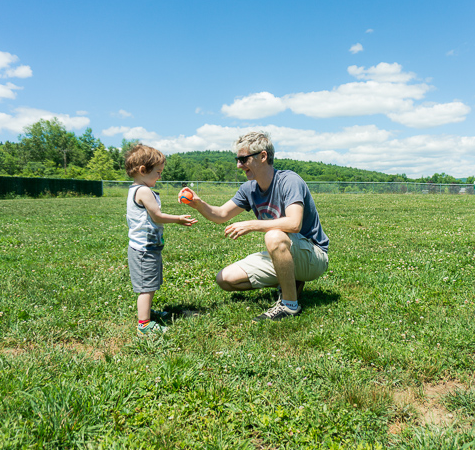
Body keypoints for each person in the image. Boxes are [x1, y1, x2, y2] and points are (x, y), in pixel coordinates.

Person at [178, 131, 329, 321]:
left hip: (314, 256)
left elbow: (294, 223)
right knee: (224, 279)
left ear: (263, 156)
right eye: (237, 159)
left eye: (243, 159)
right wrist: (198, 204)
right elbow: (221, 215)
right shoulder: (249, 189)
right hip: (286, 251)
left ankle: (290, 305)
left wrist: (251, 224)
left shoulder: (289, 181)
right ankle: (290, 281)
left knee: (273, 235)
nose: (238, 165)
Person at [125, 144, 197, 336]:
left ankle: (147, 312)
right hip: (143, 249)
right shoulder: (143, 191)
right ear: (143, 170)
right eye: (158, 172)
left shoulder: (137, 189)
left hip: (148, 247)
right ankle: (144, 324)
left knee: (151, 283)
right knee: (146, 287)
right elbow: (156, 216)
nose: (159, 176)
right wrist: (178, 219)